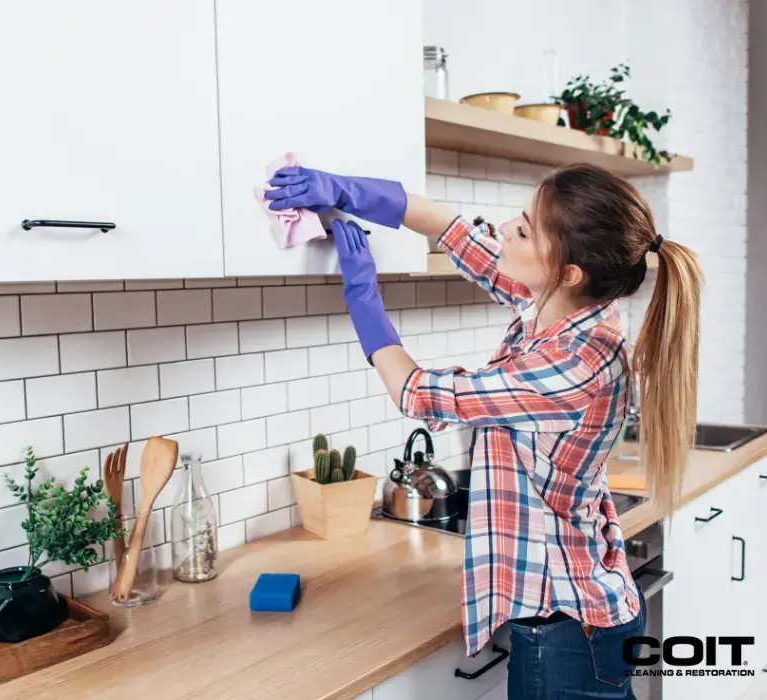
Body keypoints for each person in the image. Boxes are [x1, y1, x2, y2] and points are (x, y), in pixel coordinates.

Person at [265, 162, 702, 699]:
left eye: (522, 229)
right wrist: (343, 189)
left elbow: (419, 393)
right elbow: (453, 229)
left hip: (566, 631)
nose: (503, 230)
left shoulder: (574, 362)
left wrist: (362, 296)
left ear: (568, 272)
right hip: (578, 614)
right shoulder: (558, 308)